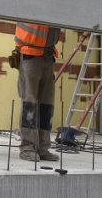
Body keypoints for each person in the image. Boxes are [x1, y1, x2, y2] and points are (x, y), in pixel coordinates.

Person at [14, 22, 62, 162]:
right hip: (30, 53)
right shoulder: (33, 2)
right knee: (30, 103)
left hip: (48, 54)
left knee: (46, 105)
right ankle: (27, 147)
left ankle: (42, 148)